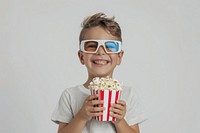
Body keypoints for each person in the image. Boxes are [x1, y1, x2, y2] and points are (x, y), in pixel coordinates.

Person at [51, 12, 146, 133]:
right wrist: (81, 117)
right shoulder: (70, 96)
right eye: (91, 46)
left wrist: (120, 121)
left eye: (110, 46)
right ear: (81, 57)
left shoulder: (128, 95)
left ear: (119, 57)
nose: (101, 52)